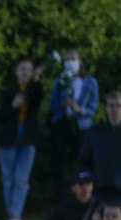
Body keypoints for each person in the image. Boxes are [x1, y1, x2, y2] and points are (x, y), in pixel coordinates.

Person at [0, 57, 44, 220]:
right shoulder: (8, 92)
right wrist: (13, 106)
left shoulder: (33, 90)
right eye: (22, 69)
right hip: (9, 139)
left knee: (22, 179)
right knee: (8, 178)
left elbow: (39, 97)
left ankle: (15, 216)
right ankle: (13, 215)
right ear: (16, 71)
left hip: (28, 139)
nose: (25, 72)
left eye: (29, 70)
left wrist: (36, 80)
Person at [48, 48, 99, 199]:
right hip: (63, 124)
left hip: (82, 126)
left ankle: (86, 195)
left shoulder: (90, 82)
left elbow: (92, 109)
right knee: (60, 162)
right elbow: (53, 107)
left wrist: (79, 109)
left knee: (83, 161)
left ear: (80, 61)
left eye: (73, 59)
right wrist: (63, 106)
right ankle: (61, 198)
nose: (70, 63)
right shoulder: (60, 81)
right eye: (67, 60)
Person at [80, 90, 121, 199]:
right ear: (106, 108)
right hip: (99, 192)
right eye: (111, 105)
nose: (115, 109)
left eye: (118, 105)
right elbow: (84, 161)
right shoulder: (95, 132)